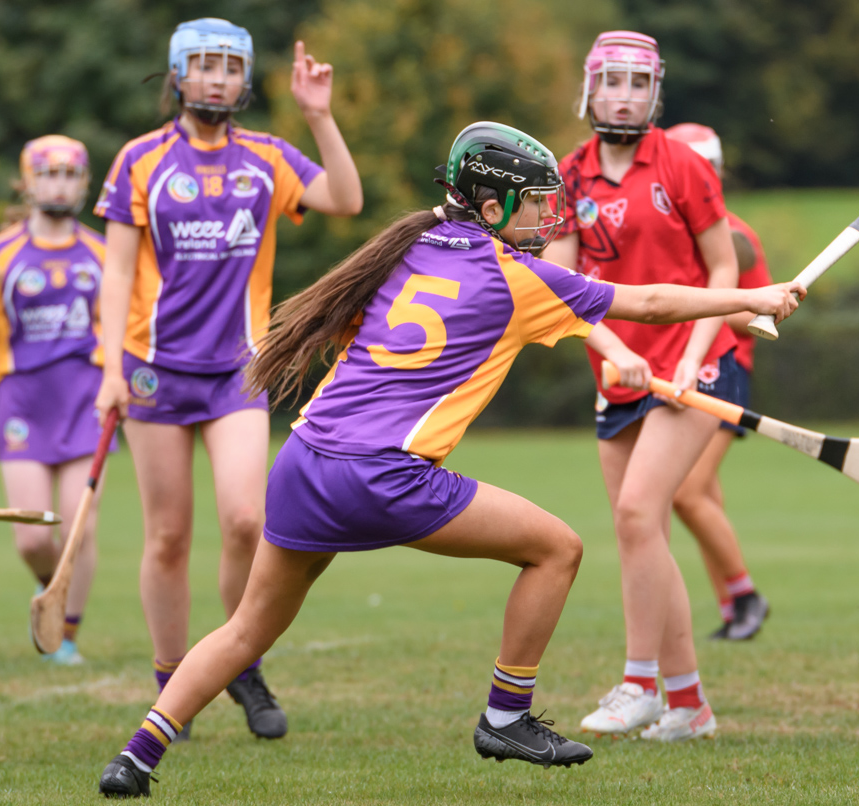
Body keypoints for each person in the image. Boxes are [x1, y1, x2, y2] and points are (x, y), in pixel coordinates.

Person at [96, 121, 802, 797]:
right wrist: (754, 294)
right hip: (386, 477)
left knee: (248, 626)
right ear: (491, 205)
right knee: (556, 550)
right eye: (533, 207)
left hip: (304, 462)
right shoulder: (517, 277)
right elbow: (644, 301)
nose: (546, 221)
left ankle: (136, 757)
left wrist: (730, 311)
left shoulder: (411, 244)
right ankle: (505, 717)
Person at [92, 18, 363, 741]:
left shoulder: (267, 158)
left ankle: (240, 661)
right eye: (204, 65)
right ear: (178, 75)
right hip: (153, 373)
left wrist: (318, 116)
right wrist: (109, 368)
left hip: (238, 371)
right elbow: (116, 270)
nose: (217, 78)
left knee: (247, 519)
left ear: (246, 80)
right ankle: (169, 678)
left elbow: (345, 198)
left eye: (231, 67)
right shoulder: (140, 160)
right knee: (168, 537)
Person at [543, 31, 804, 741]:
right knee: (643, 533)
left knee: (634, 514)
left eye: (637, 82)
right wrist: (613, 349)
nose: (623, 94)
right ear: (589, 89)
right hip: (619, 371)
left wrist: (690, 357)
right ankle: (689, 705)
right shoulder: (567, 177)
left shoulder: (683, 166)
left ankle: (637, 683)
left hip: (698, 359)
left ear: (654, 91)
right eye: (611, 81)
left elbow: (722, 272)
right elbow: (559, 290)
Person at [0, 135, 113, 665]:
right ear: (28, 181)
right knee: (33, 537)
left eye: (70, 174)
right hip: (22, 401)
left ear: (84, 183)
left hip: (86, 398)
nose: (59, 183)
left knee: (78, 523)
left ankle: (63, 635)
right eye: (49, 173)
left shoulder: (105, 254)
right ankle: (51, 591)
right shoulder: (1, 254)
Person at [665, 122, 774, 641]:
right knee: (703, 494)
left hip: (723, 369)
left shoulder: (733, 235)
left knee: (686, 494)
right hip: (679, 370)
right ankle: (732, 606)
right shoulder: (670, 234)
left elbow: (754, 316)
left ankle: (747, 594)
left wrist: (698, 306)